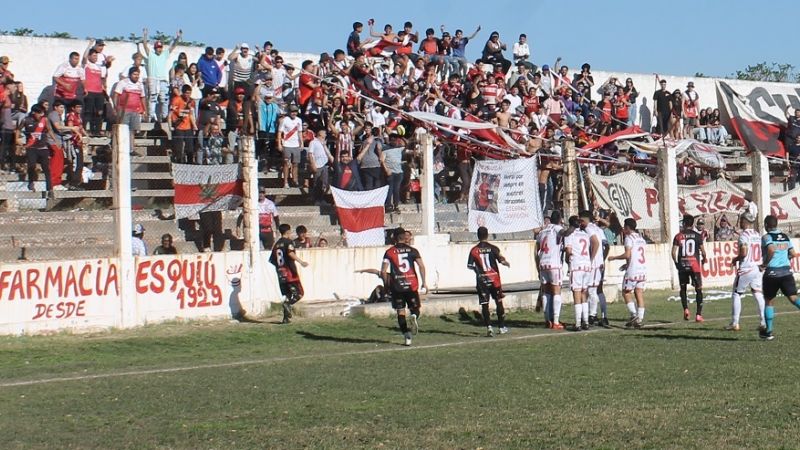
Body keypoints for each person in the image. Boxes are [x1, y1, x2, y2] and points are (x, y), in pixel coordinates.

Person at [381, 227, 427, 346]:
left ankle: (407, 337)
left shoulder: (389, 252)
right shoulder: (413, 250)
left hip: (397, 286)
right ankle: (413, 316)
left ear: (394, 238)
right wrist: (424, 282)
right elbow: (421, 266)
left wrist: (386, 285)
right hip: (412, 285)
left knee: (400, 311)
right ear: (404, 236)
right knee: (415, 309)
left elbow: (383, 271)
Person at [759, 214, 800, 340]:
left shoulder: (767, 237)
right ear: (776, 225)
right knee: (793, 298)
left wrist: (765, 264)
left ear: (766, 225)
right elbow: (793, 253)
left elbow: (771, 250)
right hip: (786, 273)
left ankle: (769, 331)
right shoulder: (785, 237)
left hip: (772, 273)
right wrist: (783, 259)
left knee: (769, 301)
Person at [467, 226, 511, 337]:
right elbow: (501, 259)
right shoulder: (493, 248)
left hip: (482, 279)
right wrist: (506, 263)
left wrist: (478, 272)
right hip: (494, 279)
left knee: (485, 304)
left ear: (478, 236)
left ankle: (489, 328)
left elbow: (470, 265)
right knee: (499, 301)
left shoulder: (474, 250)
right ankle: (501, 327)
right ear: (487, 235)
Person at [726, 212, 765, 332]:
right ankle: (763, 321)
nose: (739, 222)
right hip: (757, 267)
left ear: (745, 221)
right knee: (757, 292)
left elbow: (743, 252)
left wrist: (735, 259)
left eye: (741, 220)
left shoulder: (744, 235)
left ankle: (735, 323)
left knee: (737, 293)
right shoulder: (757, 234)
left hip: (746, 268)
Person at [609, 218, 648, 328]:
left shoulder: (629, 238)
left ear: (627, 227)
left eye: (624, 226)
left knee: (626, 292)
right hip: (642, 269)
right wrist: (627, 264)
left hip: (633, 270)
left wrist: (614, 258)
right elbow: (636, 255)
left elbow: (627, 254)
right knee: (639, 293)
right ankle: (639, 319)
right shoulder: (641, 238)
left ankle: (633, 315)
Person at [270, 223, 309, 324]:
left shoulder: (276, 244)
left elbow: (272, 260)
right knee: (299, 294)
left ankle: (285, 318)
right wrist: (301, 262)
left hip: (281, 274)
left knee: (288, 295)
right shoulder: (288, 242)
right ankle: (287, 305)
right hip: (290, 273)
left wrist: (280, 268)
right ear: (288, 231)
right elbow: (290, 253)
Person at [142, 28, 182, 122]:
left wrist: (177, 38)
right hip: (153, 78)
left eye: (160, 47)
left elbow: (173, 46)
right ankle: (152, 116)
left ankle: (164, 116)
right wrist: (145, 35)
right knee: (153, 98)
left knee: (163, 99)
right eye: (157, 47)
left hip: (163, 79)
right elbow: (144, 46)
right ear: (155, 48)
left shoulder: (164, 54)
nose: (159, 49)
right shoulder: (151, 55)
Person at [672, 214, 707, 322]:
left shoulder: (678, 236)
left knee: (683, 289)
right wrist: (704, 259)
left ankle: (686, 309)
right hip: (695, 266)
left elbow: (673, 252)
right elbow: (703, 251)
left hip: (683, 265)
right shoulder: (697, 236)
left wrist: (677, 263)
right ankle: (698, 315)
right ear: (692, 224)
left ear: (683, 223)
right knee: (698, 289)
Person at [536, 211, 565, 329]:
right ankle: (556, 321)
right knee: (556, 291)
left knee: (546, 293)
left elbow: (537, 249)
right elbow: (565, 233)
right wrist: (572, 226)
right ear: (559, 219)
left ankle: (547, 320)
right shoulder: (557, 228)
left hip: (543, 263)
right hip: (554, 263)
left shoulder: (542, 231)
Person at [581, 210, 610, 327]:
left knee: (591, 290)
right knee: (599, 290)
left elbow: (596, 244)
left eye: (581, 219)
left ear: (585, 219)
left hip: (593, 264)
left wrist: (591, 259)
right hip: (600, 263)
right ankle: (604, 316)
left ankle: (592, 315)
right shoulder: (598, 229)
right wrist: (602, 259)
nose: (580, 222)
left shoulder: (589, 229)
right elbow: (606, 245)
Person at [564, 216, 592, 331]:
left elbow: (569, 251)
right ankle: (585, 321)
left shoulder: (570, 234)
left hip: (576, 266)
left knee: (576, 293)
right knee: (584, 293)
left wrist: (567, 262)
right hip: (587, 265)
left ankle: (578, 323)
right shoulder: (585, 234)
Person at [113, 67, 147, 154]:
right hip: (124, 110)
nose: (136, 76)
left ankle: (131, 149)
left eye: (138, 74)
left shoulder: (140, 85)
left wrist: (144, 110)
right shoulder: (123, 83)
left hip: (135, 110)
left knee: (132, 130)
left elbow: (142, 98)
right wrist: (116, 108)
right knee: (123, 129)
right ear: (130, 74)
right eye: (134, 74)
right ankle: (121, 148)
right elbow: (116, 95)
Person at [22, 104, 52, 193]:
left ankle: (50, 189)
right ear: (33, 112)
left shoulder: (44, 120)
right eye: (39, 113)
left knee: (46, 168)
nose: (41, 115)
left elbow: (49, 130)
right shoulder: (26, 120)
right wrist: (17, 140)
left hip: (43, 147)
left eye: (42, 113)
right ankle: (31, 182)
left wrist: (55, 141)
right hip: (32, 147)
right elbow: (18, 130)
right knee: (32, 165)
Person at [169, 85, 197, 163]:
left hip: (188, 127)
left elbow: (191, 114)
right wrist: (170, 125)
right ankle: (178, 162)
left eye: (189, 93)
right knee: (178, 148)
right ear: (183, 92)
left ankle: (190, 163)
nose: (188, 95)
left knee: (190, 148)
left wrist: (194, 125)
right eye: (187, 93)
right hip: (179, 126)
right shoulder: (176, 100)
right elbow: (171, 113)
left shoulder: (191, 101)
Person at [277, 105, 303, 188]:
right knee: (286, 164)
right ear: (289, 112)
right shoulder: (284, 120)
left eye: (295, 111)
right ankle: (285, 182)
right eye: (292, 111)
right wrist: (279, 144)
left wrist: (301, 143)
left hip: (296, 145)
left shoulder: (299, 120)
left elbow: (300, 132)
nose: (294, 113)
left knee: (295, 164)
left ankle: (295, 180)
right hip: (286, 144)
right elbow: (279, 132)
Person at [308, 129, 333, 205]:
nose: (325, 134)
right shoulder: (313, 142)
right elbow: (310, 154)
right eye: (324, 133)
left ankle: (321, 199)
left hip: (325, 165)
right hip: (317, 165)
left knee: (324, 183)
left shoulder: (324, 143)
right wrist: (313, 165)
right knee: (317, 183)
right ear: (320, 133)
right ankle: (317, 200)